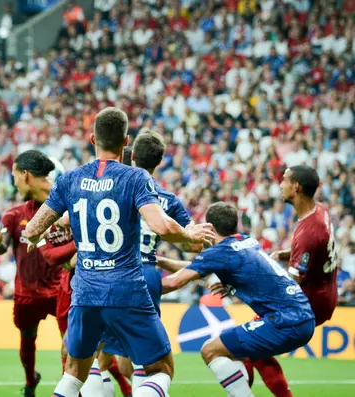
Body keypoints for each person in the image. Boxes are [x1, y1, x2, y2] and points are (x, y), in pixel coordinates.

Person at [24, 107, 215, 397]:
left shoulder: (69, 180)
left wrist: (39, 236)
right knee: (160, 368)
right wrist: (188, 232)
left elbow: (35, 228)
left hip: (85, 292)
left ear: (92, 139)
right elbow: (160, 225)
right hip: (126, 289)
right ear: (126, 142)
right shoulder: (136, 178)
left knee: (75, 371)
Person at [160, 202, 316, 397]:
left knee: (210, 350)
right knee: (240, 354)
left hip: (285, 321)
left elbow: (175, 282)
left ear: (209, 228)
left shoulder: (220, 253)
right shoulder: (246, 240)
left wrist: (137, 289)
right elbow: (196, 269)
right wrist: (161, 261)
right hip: (302, 316)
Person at [99, 133, 202, 396]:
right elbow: (193, 244)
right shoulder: (167, 199)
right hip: (147, 274)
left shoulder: (111, 187)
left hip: (110, 272)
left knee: (93, 356)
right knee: (140, 360)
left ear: (131, 156)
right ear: (160, 162)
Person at [243, 165, 338, 397]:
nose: (280, 185)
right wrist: (286, 254)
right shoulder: (319, 212)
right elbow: (316, 252)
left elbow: (289, 285)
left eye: (284, 180)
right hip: (324, 293)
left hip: (310, 302)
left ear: (296, 187)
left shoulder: (309, 232)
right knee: (251, 345)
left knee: (249, 343)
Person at [0, 150, 64, 397]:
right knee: (28, 339)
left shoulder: (65, 206)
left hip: (61, 287)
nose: (14, 183)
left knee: (70, 344)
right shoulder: (14, 215)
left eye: (15, 177)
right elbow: (3, 245)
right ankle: (31, 381)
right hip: (27, 291)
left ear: (26, 175)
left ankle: (70, 387)